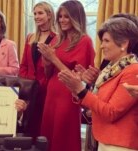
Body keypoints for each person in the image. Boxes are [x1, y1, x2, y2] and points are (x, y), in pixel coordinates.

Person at [58, 17, 138, 151]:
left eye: (106, 41)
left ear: (124, 43)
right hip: (105, 140)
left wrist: (81, 90)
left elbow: (110, 112)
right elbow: (96, 102)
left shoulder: (133, 71)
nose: (101, 46)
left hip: (120, 144)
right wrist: (76, 88)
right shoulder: (110, 69)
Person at [37, 1, 95, 151]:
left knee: (63, 135)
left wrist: (54, 58)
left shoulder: (85, 41)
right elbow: (48, 74)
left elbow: (78, 78)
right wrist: (47, 61)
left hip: (67, 95)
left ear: (76, 18)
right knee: (48, 134)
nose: (62, 20)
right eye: (60, 16)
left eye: (66, 17)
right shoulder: (57, 39)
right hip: (52, 92)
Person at [19, 1, 56, 138]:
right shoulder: (30, 37)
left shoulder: (57, 38)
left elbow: (54, 67)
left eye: (40, 13)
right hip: (29, 90)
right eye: (34, 14)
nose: (36, 16)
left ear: (49, 15)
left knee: (43, 129)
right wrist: (26, 85)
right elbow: (23, 65)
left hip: (46, 90)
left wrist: (42, 84)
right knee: (28, 128)